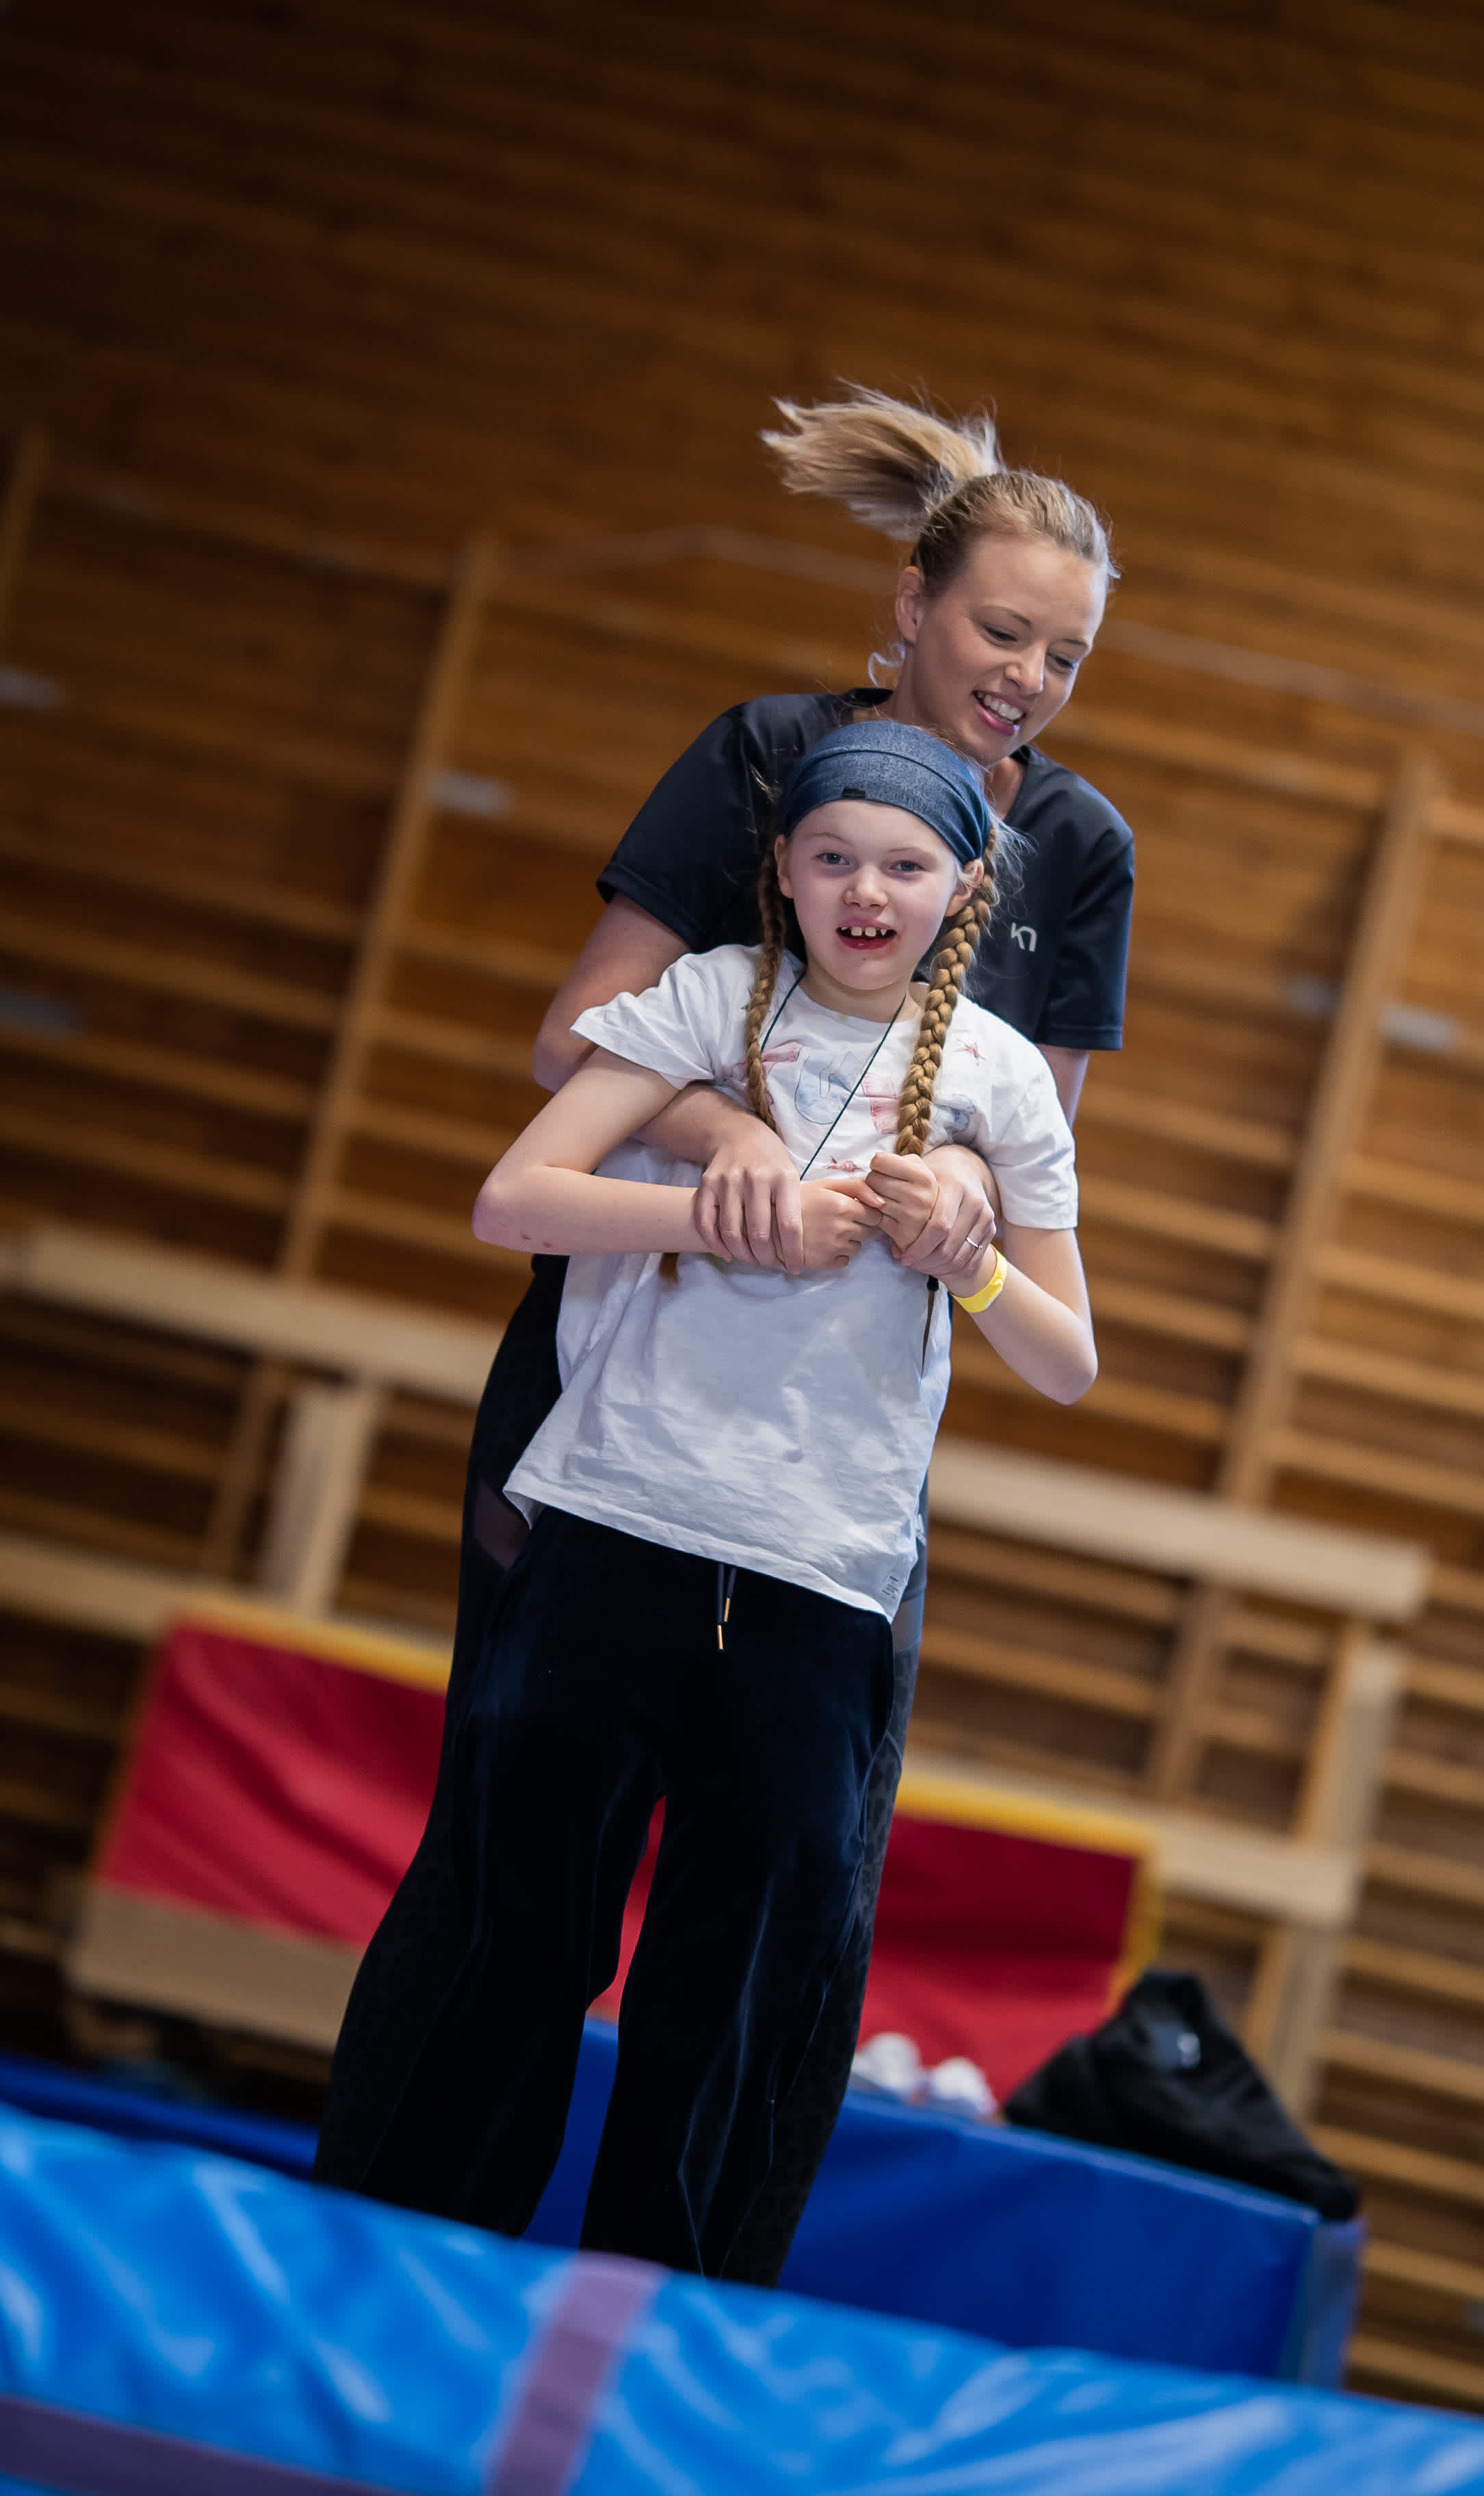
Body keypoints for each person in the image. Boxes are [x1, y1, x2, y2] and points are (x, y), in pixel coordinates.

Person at [314, 385, 1133, 2278]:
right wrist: (737, 1151)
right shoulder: (770, 756)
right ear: (913, 605)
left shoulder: (1077, 849)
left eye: (1065, 654)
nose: (1025, 674)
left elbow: (1033, 1172)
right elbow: (571, 1048)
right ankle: (382, 2275)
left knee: (778, 1913)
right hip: (622, 1405)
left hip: (832, 1473)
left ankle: (673, 2331)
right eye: (1001, 629)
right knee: (520, 1858)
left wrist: (958, 1232)